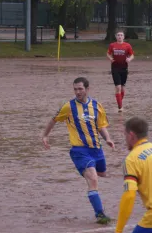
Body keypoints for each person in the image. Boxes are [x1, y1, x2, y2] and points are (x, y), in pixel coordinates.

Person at [41, 77, 115, 224]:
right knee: (93, 179)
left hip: (96, 149)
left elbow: (101, 126)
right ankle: (100, 214)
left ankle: (90, 176)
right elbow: (53, 120)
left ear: (87, 89)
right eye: (75, 89)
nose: (77, 92)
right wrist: (45, 135)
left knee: (102, 173)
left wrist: (108, 138)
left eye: (80, 89)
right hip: (79, 150)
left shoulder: (97, 105)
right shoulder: (68, 107)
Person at [107, 31, 134, 112]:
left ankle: (119, 102)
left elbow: (132, 54)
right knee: (118, 87)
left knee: (122, 88)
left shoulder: (127, 45)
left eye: (121, 35)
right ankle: (120, 107)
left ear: (123, 37)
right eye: (118, 35)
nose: (119, 36)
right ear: (116, 36)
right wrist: (110, 58)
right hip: (115, 68)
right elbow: (108, 53)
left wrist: (129, 59)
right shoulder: (112, 45)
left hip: (124, 68)